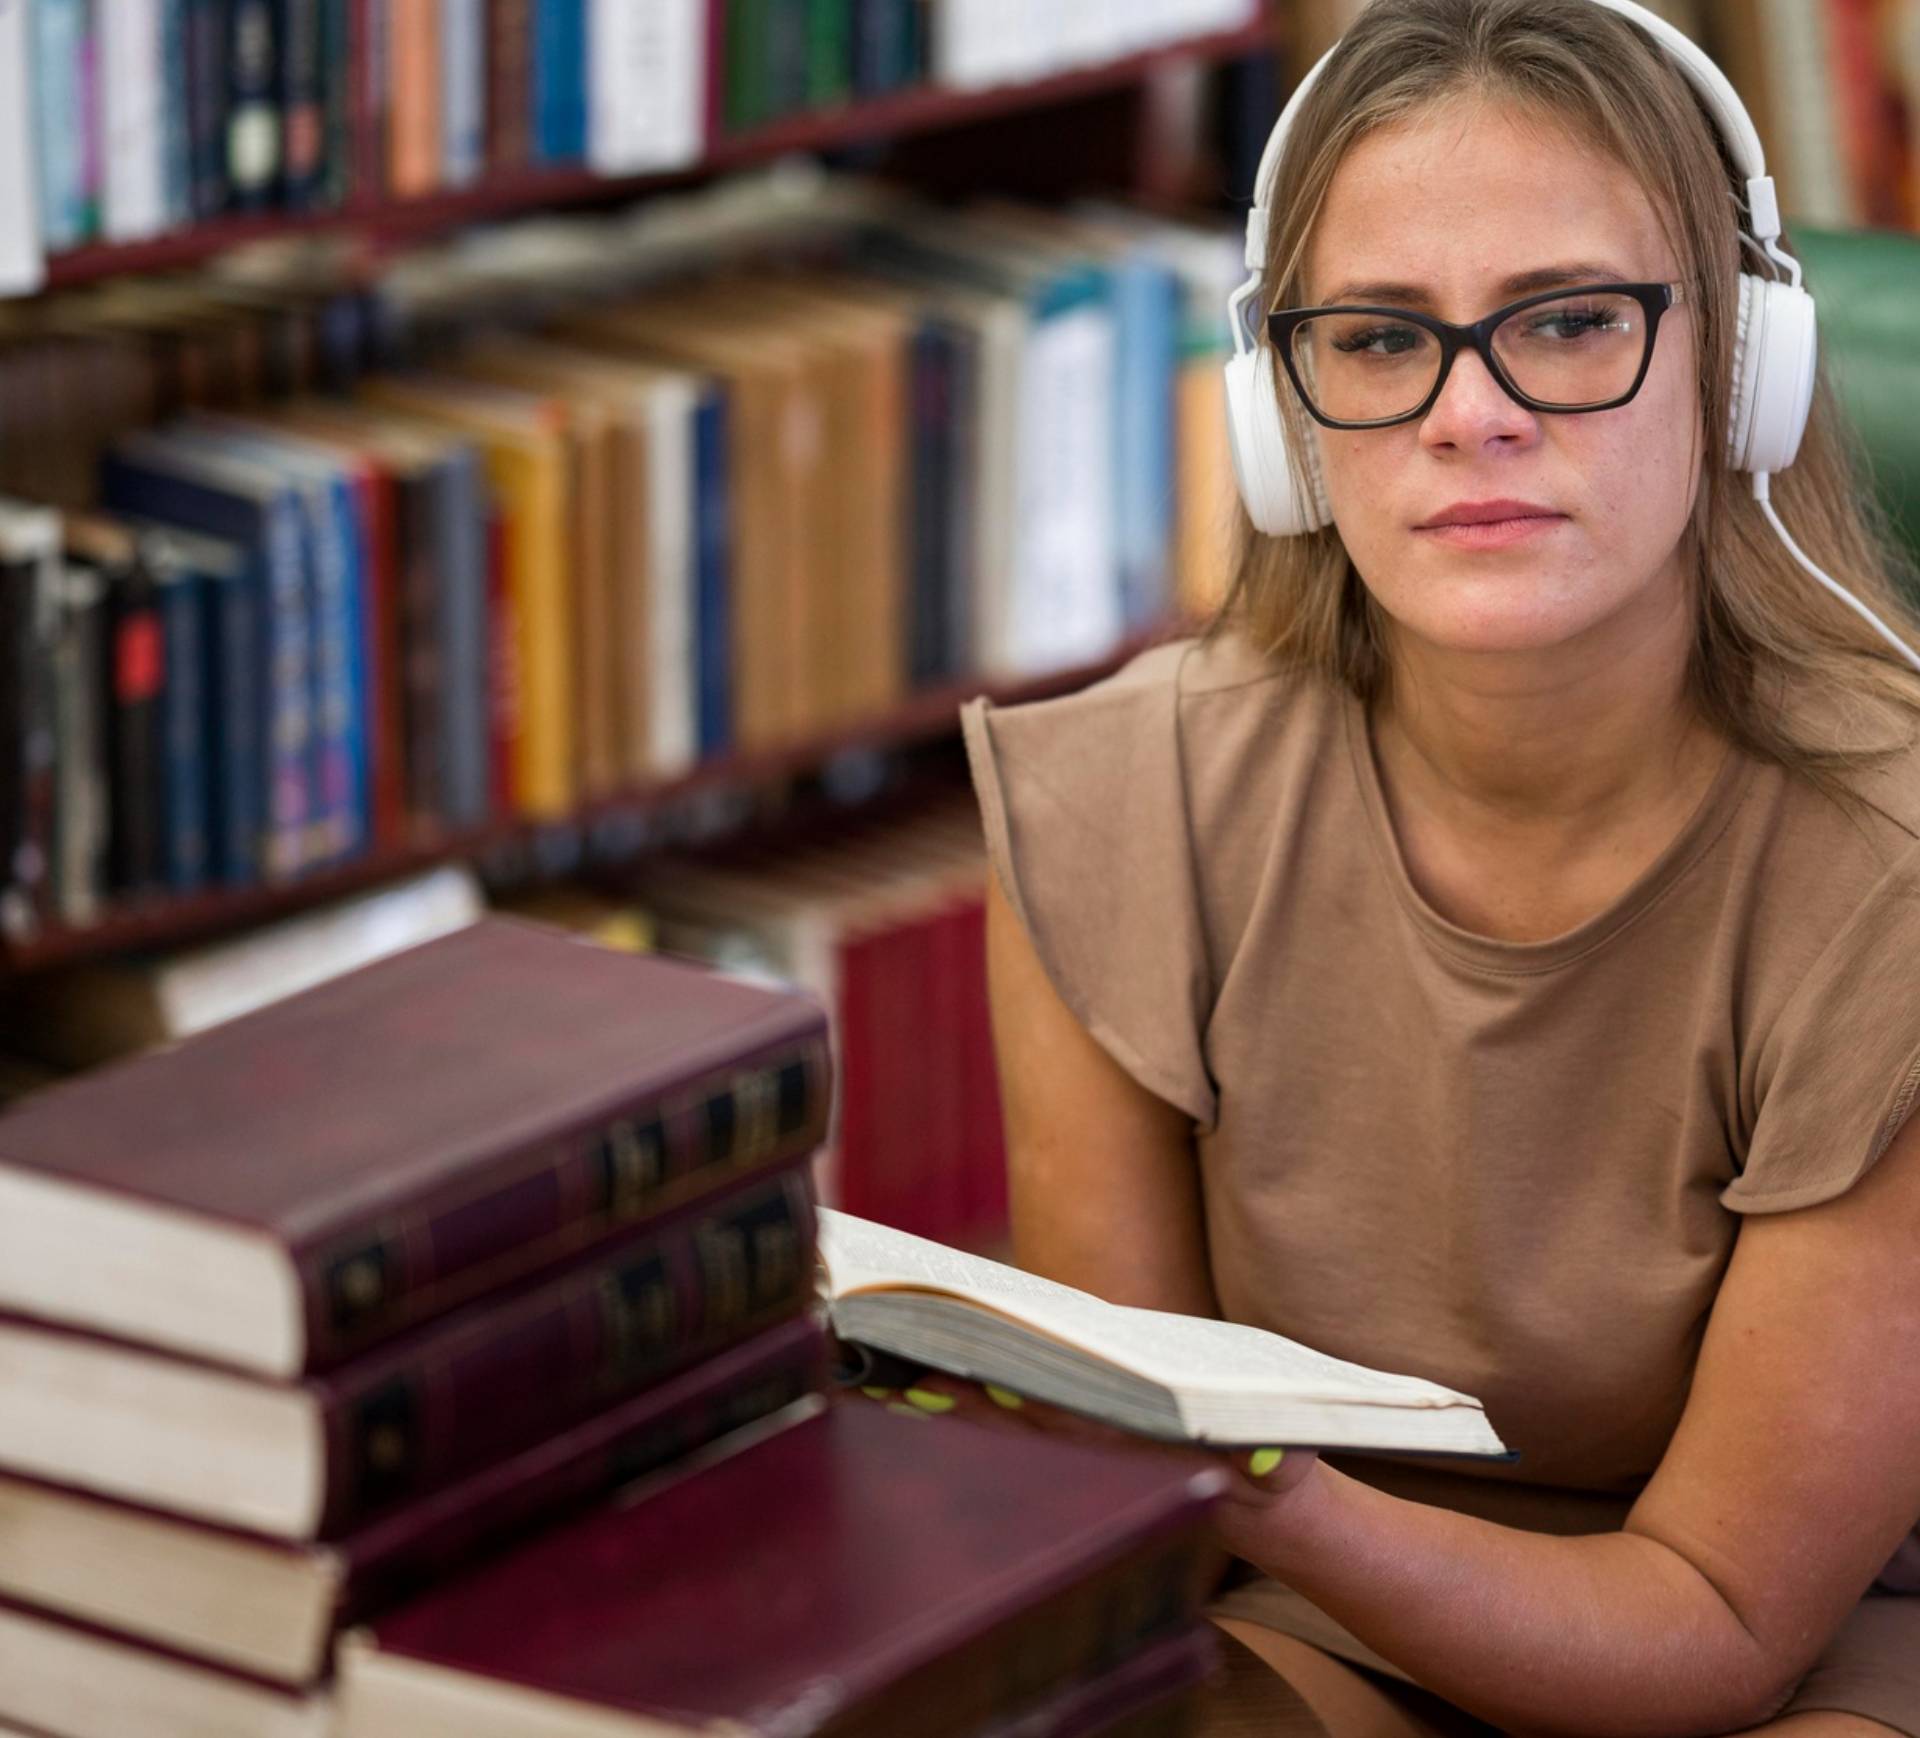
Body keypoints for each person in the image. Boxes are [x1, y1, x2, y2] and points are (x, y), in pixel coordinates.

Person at [950, 0, 1920, 1732]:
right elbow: (1141, 1506)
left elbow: (1716, 1615)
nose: (1468, 414)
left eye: (1565, 322)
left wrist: (1280, 1498)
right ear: (1283, 409)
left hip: (1781, 1654)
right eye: (1382, 340)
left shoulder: (1891, 878)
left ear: (1741, 366)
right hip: (1315, 1615)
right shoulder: (1124, 802)